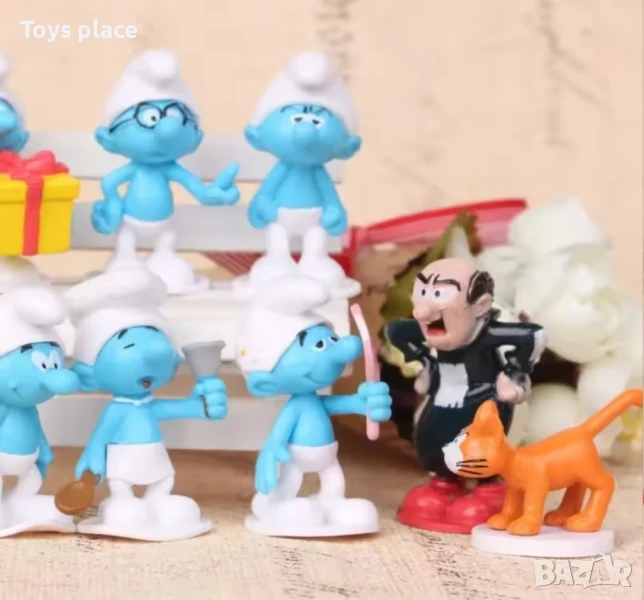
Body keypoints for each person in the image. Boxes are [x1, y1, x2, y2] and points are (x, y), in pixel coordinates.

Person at [385, 257, 546, 533]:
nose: (422, 311)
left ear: (480, 306)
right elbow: (396, 331)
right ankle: (443, 483)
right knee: (429, 439)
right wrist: (425, 361)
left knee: (483, 443)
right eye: (422, 292)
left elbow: (534, 336)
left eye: (439, 294)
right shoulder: (428, 327)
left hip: (483, 399)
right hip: (442, 397)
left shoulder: (488, 333)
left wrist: (514, 373)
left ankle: (488, 488)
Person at [66, 269, 228, 541]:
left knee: (164, 485)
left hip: (155, 460)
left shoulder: (150, 406)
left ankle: (159, 500)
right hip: (123, 463)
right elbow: (101, 437)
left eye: (156, 336)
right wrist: (93, 457)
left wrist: (202, 406)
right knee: (124, 495)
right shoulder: (118, 409)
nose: (155, 352)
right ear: (91, 371)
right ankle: (122, 503)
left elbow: (179, 409)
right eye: (128, 344)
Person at [237, 275, 392, 537]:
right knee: (288, 484)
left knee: (334, 485)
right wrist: (271, 452)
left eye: (331, 339)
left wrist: (363, 403)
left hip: (328, 458)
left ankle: (333, 505)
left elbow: (336, 404)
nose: (337, 349)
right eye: (319, 345)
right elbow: (278, 437)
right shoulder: (295, 407)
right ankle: (276, 505)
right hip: (295, 460)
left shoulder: (314, 402)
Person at [91, 50, 239, 294]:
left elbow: (198, 190)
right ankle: (126, 260)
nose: (166, 129)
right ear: (109, 138)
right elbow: (109, 183)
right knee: (126, 250)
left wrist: (211, 195)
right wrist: (112, 205)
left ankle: (164, 260)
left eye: (176, 116)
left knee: (167, 250)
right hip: (130, 224)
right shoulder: (135, 169)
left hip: (164, 226)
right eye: (149, 118)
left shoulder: (172, 169)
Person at [239, 52, 362, 297]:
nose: (306, 130)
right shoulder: (283, 169)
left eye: (317, 121)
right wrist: (261, 203)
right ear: (258, 136)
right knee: (277, 240)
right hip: (280, 218)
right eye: (296, 118)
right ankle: (277, 262)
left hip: (314, 220)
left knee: (316, 242)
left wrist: (334, 209)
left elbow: (329, 196)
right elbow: (267, 192)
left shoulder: (318, 172)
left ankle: (315, 262)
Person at [0, 286, 80, 537]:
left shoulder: (29, 409)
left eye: (55, 363)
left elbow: (35, 428)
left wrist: (43, 450)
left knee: (31, 481)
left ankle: (20, 503)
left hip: (28, 460)